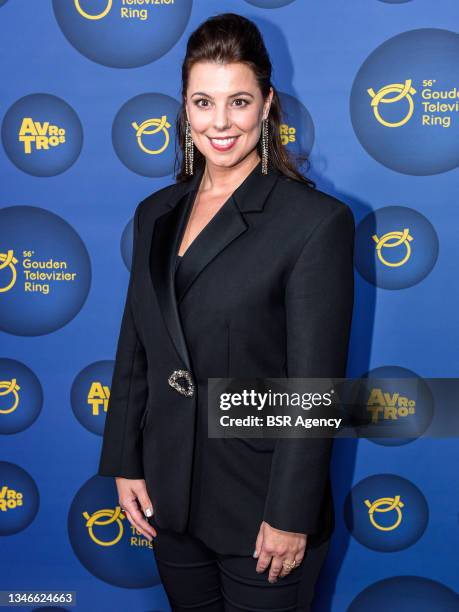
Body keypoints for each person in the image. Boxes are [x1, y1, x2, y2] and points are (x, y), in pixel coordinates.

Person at [98, 12, 355, 611]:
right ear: (184, 110)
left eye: (238, 101)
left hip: (261, 506)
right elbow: (137, 343)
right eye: (203, 102)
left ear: (266, 105)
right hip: (170, 495)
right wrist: (125, 461)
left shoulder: (314, 223)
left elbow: (315, 387)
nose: (220, 122)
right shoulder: (155, 212)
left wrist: (289, 514)